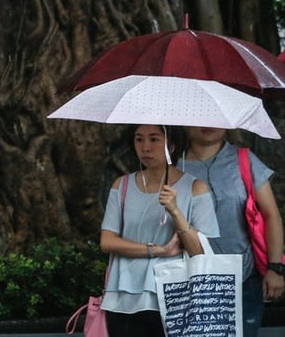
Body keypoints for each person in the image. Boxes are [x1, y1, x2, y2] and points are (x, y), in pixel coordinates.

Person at [100, 124, 219, 337]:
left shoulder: (195, 187)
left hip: (176, 297)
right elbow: (107, 241)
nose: (145, 147)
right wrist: (157, 250)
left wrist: (175, 211)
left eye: (154, 139)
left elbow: (200, 251)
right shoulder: (122, 185)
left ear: (171, 145)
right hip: (124, 297)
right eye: (139, 139)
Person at [179, 126, 285, 337]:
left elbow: (271, 215)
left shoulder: (244, 160)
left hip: (244, 280)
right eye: (201, 117)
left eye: (214, 118)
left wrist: (275, 267)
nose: (208, 124)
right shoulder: (174, 166)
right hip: (192, 281)